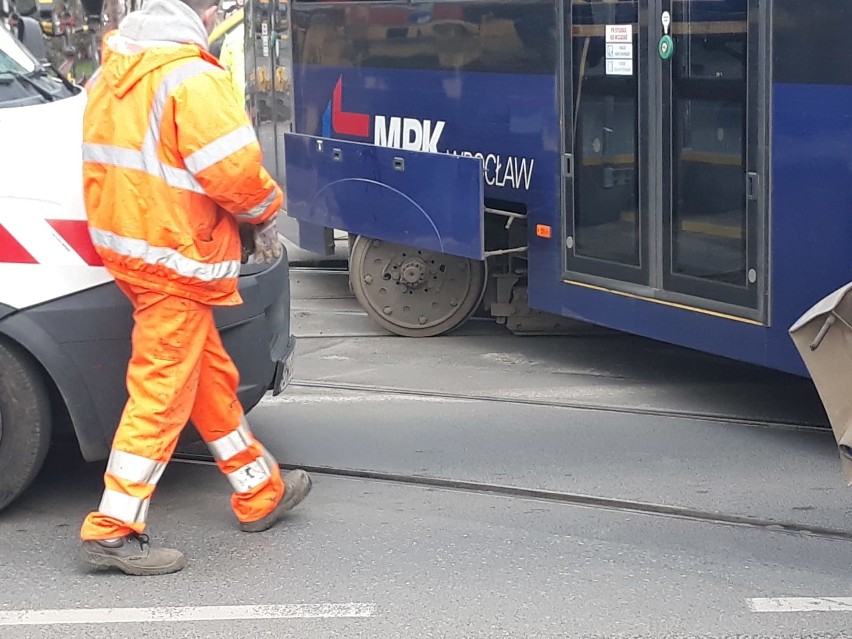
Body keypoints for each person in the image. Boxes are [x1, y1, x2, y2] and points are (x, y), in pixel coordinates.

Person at [79, 0, 311, 576]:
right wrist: (266, 213)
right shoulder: (193, 79)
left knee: (206, 373)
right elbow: (234, 175)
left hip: (131, 250)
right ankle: (114, 526)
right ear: (202, 15)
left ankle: (257, 487)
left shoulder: (111, 72)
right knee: (161, 390)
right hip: (177, 255)